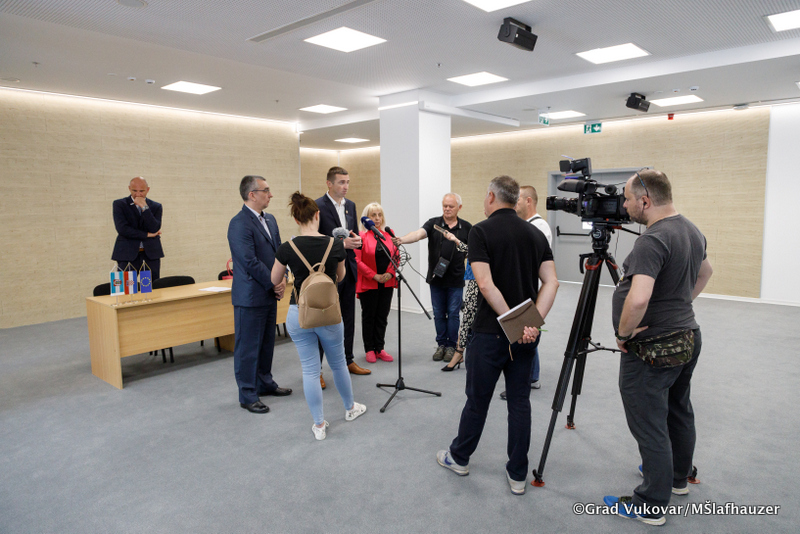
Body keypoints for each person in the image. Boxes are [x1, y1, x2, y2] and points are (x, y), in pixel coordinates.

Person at [436, 176, 559, 496]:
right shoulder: (535, 233)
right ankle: (518, 474)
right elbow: (552, 282)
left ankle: (459, 458)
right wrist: (531, 325)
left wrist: (513, 324)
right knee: (519, 402)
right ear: (516, 199)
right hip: (526, 335)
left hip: (490, 333)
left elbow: (485, 284)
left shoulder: (480, 231)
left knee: (477, 401)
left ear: (491, 196)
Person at [602, 169, 713, 526]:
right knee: (678, 410)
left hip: (654, 347)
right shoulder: (691, 229)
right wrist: (679, 305)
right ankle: (677, 477)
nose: (624, 205)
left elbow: (638, 299)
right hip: (688, 336)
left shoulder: (652, 240)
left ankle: (650, 503)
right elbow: (706, 272)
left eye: (627, 199)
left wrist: (623, 334)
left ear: (645, 201)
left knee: (649, 422)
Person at [271, 192, 367, 440]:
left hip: (299, 313)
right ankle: (350, 408)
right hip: (329, 314)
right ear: (317, 215)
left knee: (310, 370)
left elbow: (274, 278)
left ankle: (319, 424)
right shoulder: (335, 244)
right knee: (338, 364)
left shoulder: (287, 247)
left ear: (295, 219)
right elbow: (341, 277)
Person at [227, 175, 292, 414]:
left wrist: (283, 277)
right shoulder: (239, 223)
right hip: (251, 296)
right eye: (266, 190)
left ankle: (265, 383)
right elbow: (249, 261)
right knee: (248, 348)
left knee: (266, 344)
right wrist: (274, 282)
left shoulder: (270, 220)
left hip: (269, 292)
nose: (270, 194)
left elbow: (279, 253)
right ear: (252, 194)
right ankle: (247, 394)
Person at [392, 193, 471, 363]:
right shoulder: (434, 223)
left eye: (450, 206)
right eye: (445, 206)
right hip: (436, 278)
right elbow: (418, 234)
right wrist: (402, 240)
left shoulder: (466, 227)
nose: (447, 209)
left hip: (456, 279)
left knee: (453, 314)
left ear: (459, 207)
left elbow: (471, 250)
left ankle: (451, 347)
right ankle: (441, 345)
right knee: (438, 314)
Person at [315, 167, 370, 379]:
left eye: (347, 182)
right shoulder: (318, 206)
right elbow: (315, 239)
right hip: (327, 271)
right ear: (329, 183)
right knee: (323, 321)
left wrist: (355, 242)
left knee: (348, 318)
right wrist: (341, 244)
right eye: (341, 182)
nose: (345, 186)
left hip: (348, 268)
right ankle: (317, 370)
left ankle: (348, 360)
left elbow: (351, 233)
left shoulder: (351, 206)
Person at [500, 185, 552, 398]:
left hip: (529, 290)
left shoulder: (539, 227)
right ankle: (531, 376)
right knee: (526, 333)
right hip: (523, 288)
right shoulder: (527, 226)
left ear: (529, 201)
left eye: (519, 199)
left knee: (527, 333)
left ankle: (529, 378)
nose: (515, 203)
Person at [354, 203, 398, 364]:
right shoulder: (361, 236)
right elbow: (356, 260)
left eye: (380, 215)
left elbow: (396, 255)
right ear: (366, 218)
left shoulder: (388, 234)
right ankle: (369, 349)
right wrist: (374, 276)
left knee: (382, 316)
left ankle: (380, 348)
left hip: (387, 282)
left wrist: (390, 273)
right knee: (369, 317)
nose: (377, 218)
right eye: (373, 215)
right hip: (369, 282)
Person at [112, 177, 164, 279]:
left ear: (147, 190)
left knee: (151, 285)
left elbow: (154, 228)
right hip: (127, 253)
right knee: (128, 285)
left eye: (141, 191)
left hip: (151, 253)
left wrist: (144, 207)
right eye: (134, 191)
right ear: (129, 189)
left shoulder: (156, 206)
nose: (138, 194)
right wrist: (146, 235)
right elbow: (122, 229)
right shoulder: (120, 204)